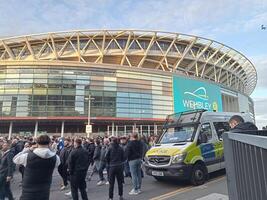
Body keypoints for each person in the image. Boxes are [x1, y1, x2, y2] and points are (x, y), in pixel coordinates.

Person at [13, 135, 60, 200]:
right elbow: (57, 163)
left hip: (28, 192)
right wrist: (51, 149)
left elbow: (15, 159)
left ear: (37, 143)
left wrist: (28, 149)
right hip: (44, 191)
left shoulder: (27, 156)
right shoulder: (56, 158)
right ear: (49, 144)